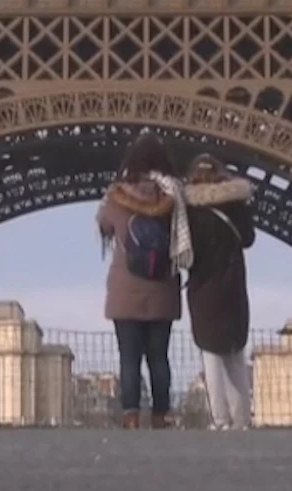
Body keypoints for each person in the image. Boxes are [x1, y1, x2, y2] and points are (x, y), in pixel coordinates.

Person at [96, 133, 193, 429]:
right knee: (159, 358)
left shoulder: (116, 197)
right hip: (162, 288)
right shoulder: (174, 196)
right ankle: (161, 414)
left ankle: (131, 414)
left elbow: (104, 225)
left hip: (125, 291)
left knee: (129, 358)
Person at [182, 154, 255, 430]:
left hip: (203, 287)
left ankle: (220, 419)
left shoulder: (189, 211)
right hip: (233, 284)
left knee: (210, 354)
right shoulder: (234, 205)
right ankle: (242, 420)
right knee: (236, 353)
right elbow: (248, 239)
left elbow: (185, 252)